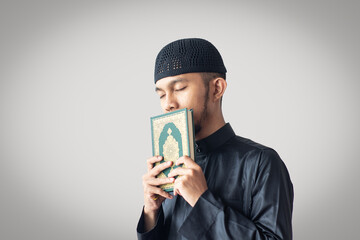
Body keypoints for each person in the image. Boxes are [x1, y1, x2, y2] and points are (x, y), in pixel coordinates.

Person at [136, 38, 293, 240]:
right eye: (161, 95)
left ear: (217, 88)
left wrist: (202, 200)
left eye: (179, 88)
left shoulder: (262, 163)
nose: (169, 104)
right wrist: (151, 212)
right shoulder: (170, 166)